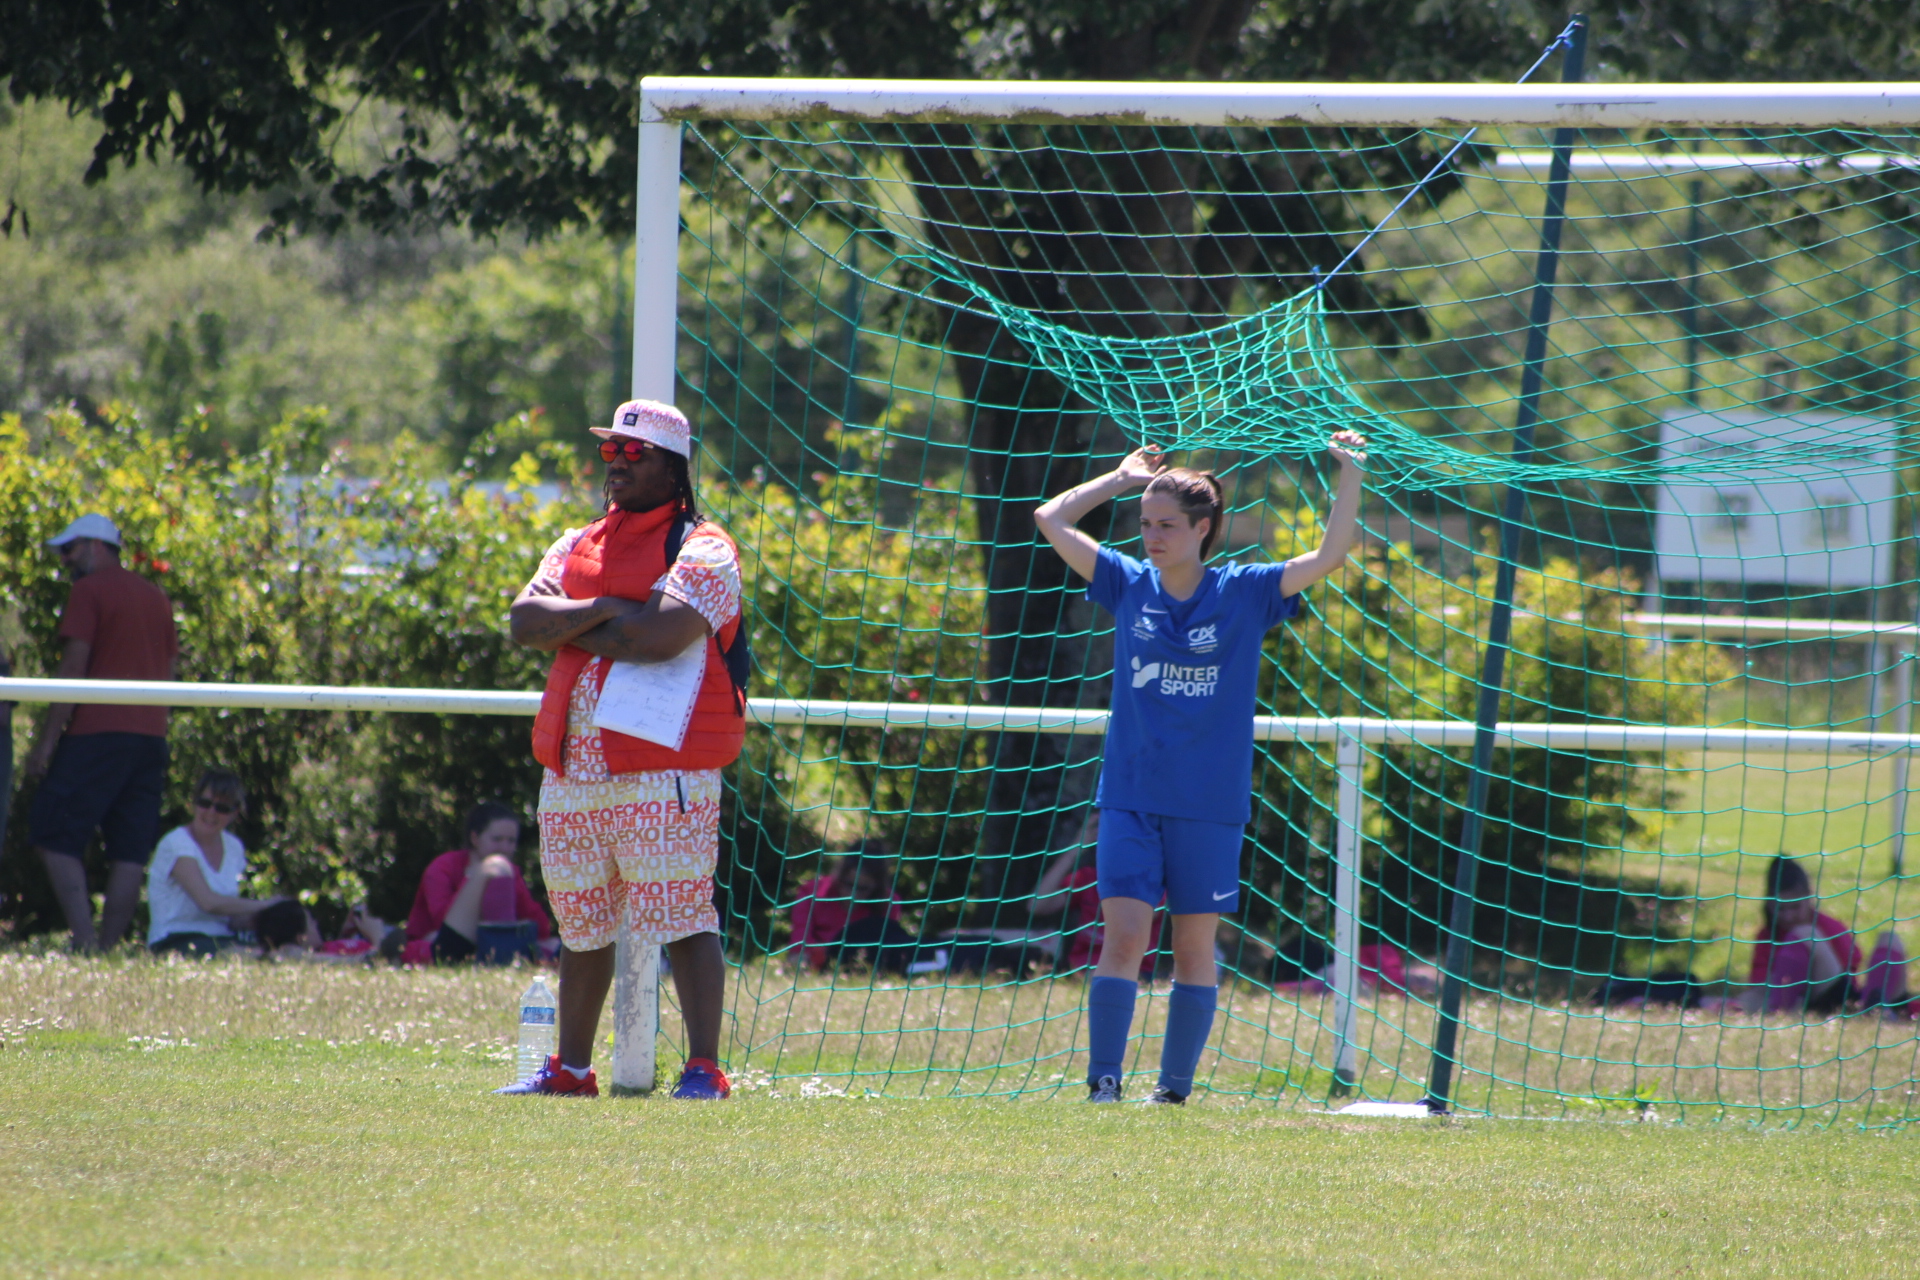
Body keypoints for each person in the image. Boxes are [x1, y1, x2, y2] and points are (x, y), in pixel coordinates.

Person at [1034, 431, 1367, 1103]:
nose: (1151, 536)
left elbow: (1331, 555)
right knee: (1124, 938)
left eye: (1166, 525)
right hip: (1131, 798)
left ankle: (1173, 1092)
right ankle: (1103, 1084)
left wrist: (1350, 474)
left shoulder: (1245, 591)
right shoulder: (1128, 583)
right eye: (1145, 524)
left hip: (1210, 805)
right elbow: (1051, 518)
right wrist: (1120, 480)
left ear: (1203, 529)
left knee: (1192, 950)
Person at [502, 398, 747, 1100]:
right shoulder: (576, 540)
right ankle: (572, 1071)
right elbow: (525, 623)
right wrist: (612, 608)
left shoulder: (705, 548)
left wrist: (576, 624)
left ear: (674, 467)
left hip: (663, 767)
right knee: (581, 924)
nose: (617, 463)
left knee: (683, 915)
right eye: (611, 449)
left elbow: (658, 638)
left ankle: (704, 1069)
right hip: (574, 768)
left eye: (635, 453)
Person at [25, 514, 178, 951]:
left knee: (51, 831)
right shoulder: (156, 597)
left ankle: (86, 941)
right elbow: (170, 670)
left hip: (97, 734)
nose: (65, 560)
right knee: (130, 850)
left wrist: (46, 743)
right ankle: (109, 948)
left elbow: (74, 668)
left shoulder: (89, 591)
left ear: (96, 546)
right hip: (151, 738)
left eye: (69, 549)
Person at [399, 802, 555, 966]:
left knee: (552, 944)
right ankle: (501, 955)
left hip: (480, 946)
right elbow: (443, 922)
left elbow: (541, 927)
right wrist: (472, 878)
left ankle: (501, 953)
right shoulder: (443, 867)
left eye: (511, 841)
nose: (505, 848)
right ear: (475, 838)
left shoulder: (509, 873)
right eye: (497, 839)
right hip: (439, 946)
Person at [146, 769, 281, 956]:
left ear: (235, 813)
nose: (211, 812)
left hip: (222, 938)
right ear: (193, 804)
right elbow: (208, 903)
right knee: (262, 957)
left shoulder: (233, 846)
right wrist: (267, 905)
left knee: (280, 951)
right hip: (175, 939)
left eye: (222, 808)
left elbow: (230, 917)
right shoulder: (176, 843)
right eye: (205, 803)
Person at [1740, 855, 1862, 1015]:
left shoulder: (1829, 927)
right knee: (1747, 999)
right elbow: (1758, 983)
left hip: (1833, 998)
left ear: (1809, 898)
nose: (1788, 916)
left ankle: (1778, 1010)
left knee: (1804, 934)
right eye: (1781, 909)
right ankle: (1776, 1010)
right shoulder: (1767, 935)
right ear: (1769, 905)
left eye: (1795, 907)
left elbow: (1851, 969)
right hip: (1792, 1001)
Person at [790, 841, 907, 972]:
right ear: (839, 876)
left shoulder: (888, 902)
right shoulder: (812, 892)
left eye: (862, 888)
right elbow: (800, 944)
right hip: (814, 963)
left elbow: (887, 951)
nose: (852, 895)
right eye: (848, 884)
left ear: (877, 887)